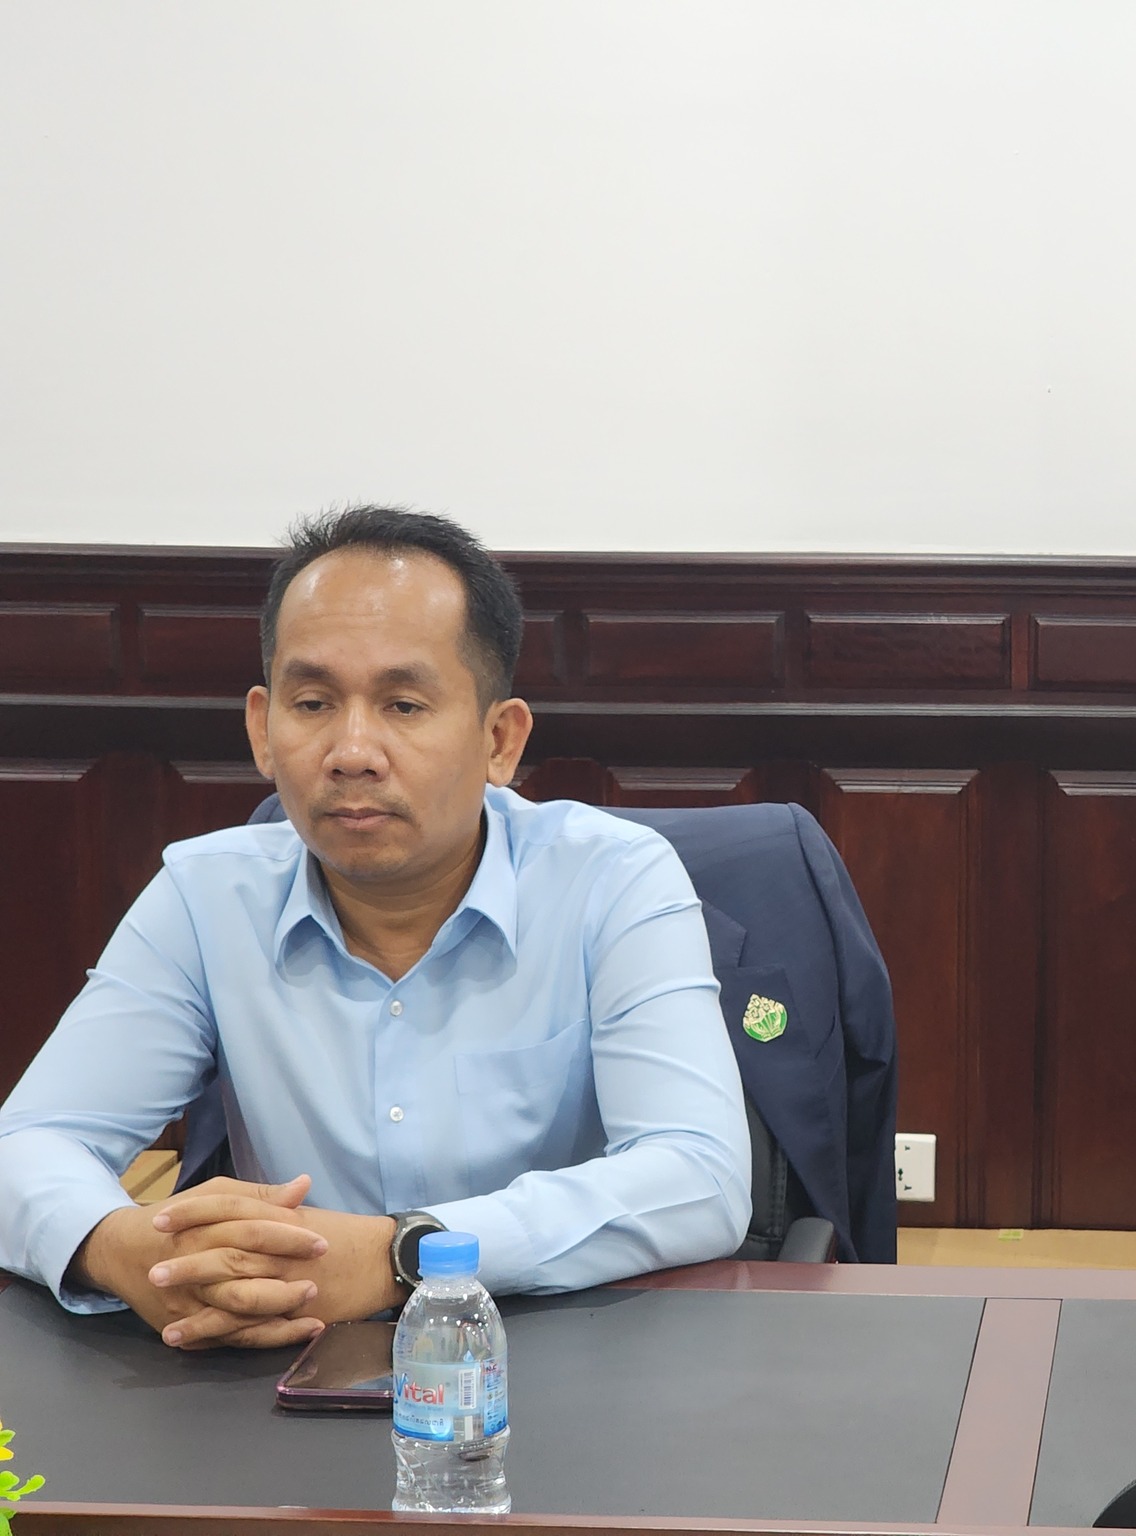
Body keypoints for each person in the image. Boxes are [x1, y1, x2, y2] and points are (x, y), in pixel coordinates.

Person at [0, 507, 751, 1350]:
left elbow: (700, 1177)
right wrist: (120, 1249)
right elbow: (29, 1144)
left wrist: (401, 1254)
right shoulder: (205, 896)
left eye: (403, 704)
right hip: (277, 1363)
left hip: (555, 1350)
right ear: (261, 728)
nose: (352, 751)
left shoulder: (614, 881)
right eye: (312, 702)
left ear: (499, 740)